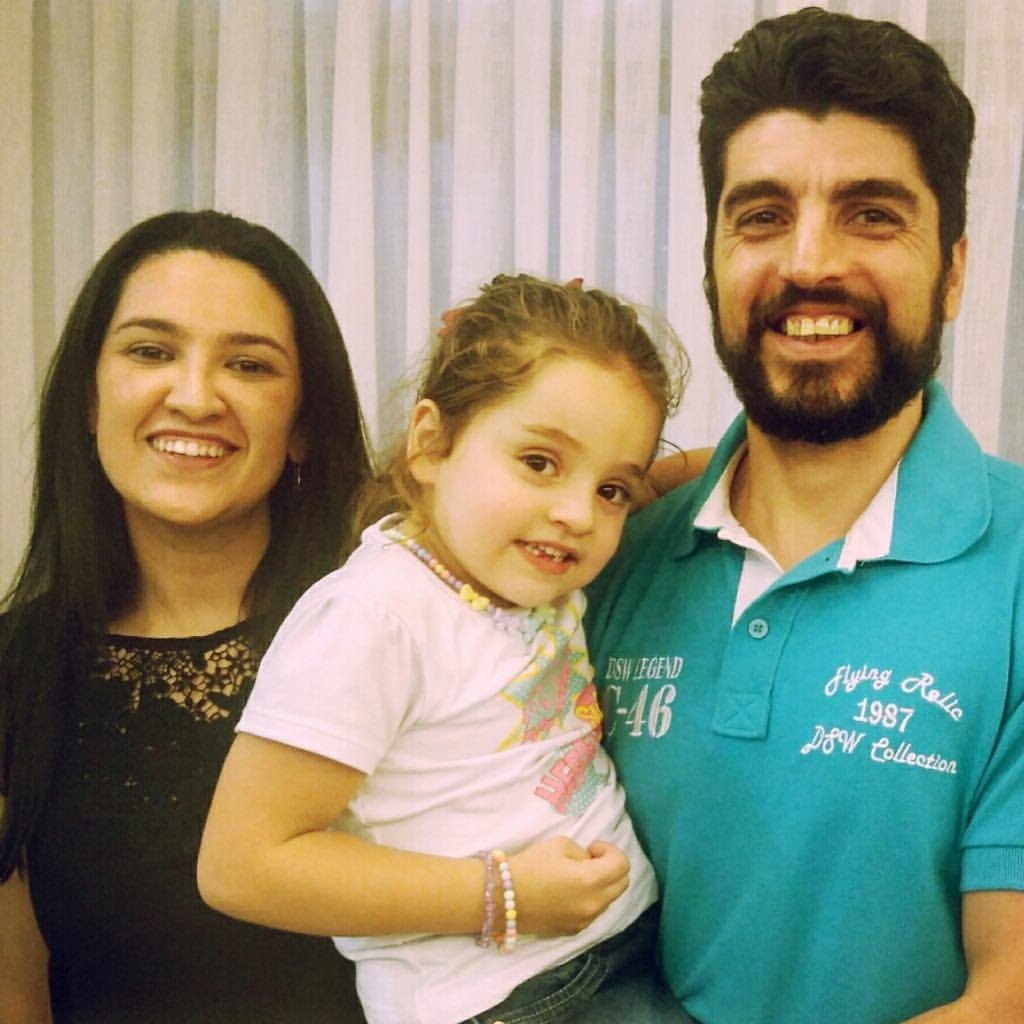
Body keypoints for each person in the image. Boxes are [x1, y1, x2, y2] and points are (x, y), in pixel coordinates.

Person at [585, 7, 1024, 1024]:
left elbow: (1009, 992)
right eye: (762, 216)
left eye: (871, 214)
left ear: (954, 270)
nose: (809, 262)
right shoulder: (604, 554)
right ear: (710, 263)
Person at [197, 274, 694, 1024]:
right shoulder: (373, 617)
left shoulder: (525, 564)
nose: (577, 513)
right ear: (431, 443)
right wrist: (503, 895)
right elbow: (242, 866)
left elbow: (681, 474)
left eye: (611, 491)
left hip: (619, 951)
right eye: (539, 462)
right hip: (509, 999)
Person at [0, 210, 374, 1022]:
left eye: (248, 364)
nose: (196, 396)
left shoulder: (388, 630)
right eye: (150, 352)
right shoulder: (17, 667)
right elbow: (16, 990)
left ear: (304, 426)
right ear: (90, 399)